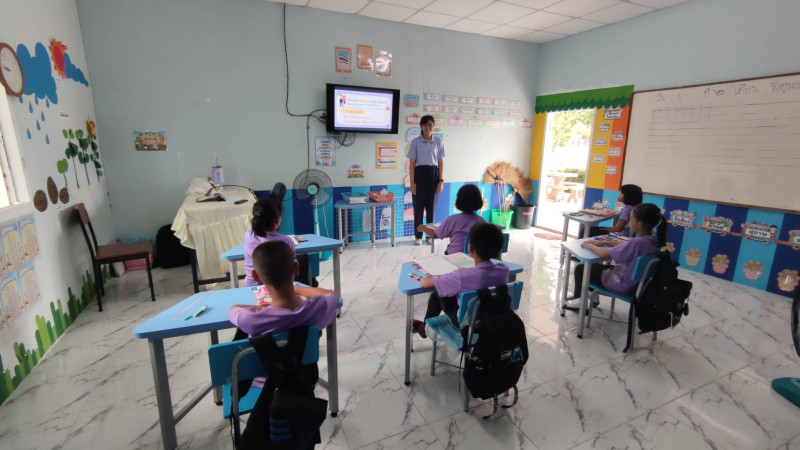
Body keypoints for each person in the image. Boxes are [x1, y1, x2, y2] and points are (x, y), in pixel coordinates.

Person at [229, 240, 339, 386]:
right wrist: (296, 288)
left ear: (255, 276)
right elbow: (332, 295)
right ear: (296, 268)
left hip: (263, 385)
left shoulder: (250, 319)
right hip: (302, 378)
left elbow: (233, 309)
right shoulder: (316, 308)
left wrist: (261, 308)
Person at [411, 223, 509, 338]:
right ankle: (425, 327)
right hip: (495, 321)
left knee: (438, 293)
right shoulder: (504, 270)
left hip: (469, 326)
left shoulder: (462, 276)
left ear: (470, 248)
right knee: (452, 291)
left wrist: (444, 276)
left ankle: (425, 328)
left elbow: (424, 283)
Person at [565, 203, 666, 310]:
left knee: (581, 269)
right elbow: (626, 244)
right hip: (637, 285)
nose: (629, 222)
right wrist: (604, 242)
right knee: (596, 268)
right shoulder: (653, 238)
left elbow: (604, 254)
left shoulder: (637, 243)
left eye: (631, 219)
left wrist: (590, 245)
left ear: (640, 224)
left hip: (622, 284)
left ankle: (580, 302)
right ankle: (592, 297)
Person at [408, 115, 445, 246]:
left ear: (433, 126)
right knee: (418, 209)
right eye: (424, 125)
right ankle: (418, 236)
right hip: (419, 175)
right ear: (421, 126)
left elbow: (440, 162)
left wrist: (441, 181)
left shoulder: (439, 142)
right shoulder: (415, 142)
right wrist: (412, 183)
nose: (427, 127)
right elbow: (412, 164)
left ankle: (429, 236)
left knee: (431, 209)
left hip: (434, 176)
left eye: (430, 124)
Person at [418, 184, 485, 255]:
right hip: (474, 257)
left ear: (459, 201)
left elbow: (435, 234)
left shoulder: (453, 220)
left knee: (447, 249)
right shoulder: (482, 222)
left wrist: (423, 228)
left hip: (454, 257)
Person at [243, 199, 296, 287]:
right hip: (277, 288)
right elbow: (290, 268)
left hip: (250, 286)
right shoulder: (287, 241)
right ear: (277, 219)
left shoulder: (248, 235)